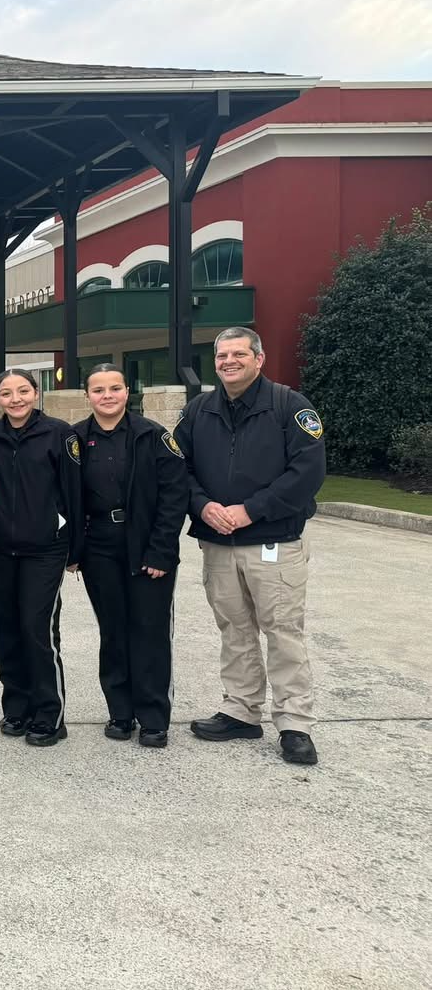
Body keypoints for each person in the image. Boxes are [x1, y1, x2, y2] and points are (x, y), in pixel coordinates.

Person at [174, 327, 327, 766]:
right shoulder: (198, 411)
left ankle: (295, 723)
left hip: (274, 542)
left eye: (239, 354)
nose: (228, 362)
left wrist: (250, 510)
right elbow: (176, 469)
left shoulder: (290, 406)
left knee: (282, 632)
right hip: (218, 542)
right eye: (222, 355)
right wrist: (202, 507)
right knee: (235, 630)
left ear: (259, 359)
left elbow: (307, 472)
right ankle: (241, 710)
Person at [72, 364, 189, 749]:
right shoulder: (75, 439)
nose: (107, 396)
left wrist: (161, 550)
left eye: (115, 388)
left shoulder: (152, 436)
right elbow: (66, 498)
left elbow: (175, 498)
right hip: (99, 545)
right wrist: (75, 550)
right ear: (87, 395)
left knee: (150, 631)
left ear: (127, 392)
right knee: (114, 631)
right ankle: (120, 713)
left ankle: (154, 718)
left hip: (146, 543)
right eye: (99, 389)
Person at [0, 368, 83, 747]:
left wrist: (76, 550)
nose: (16, 399)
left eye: (23, 391)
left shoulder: (59, 433)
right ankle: (17, 707)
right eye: (7, 393)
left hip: (46, 549)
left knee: (36, 629)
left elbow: (74, 493)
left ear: (36, 392)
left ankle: (48, 714)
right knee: (5, 629)